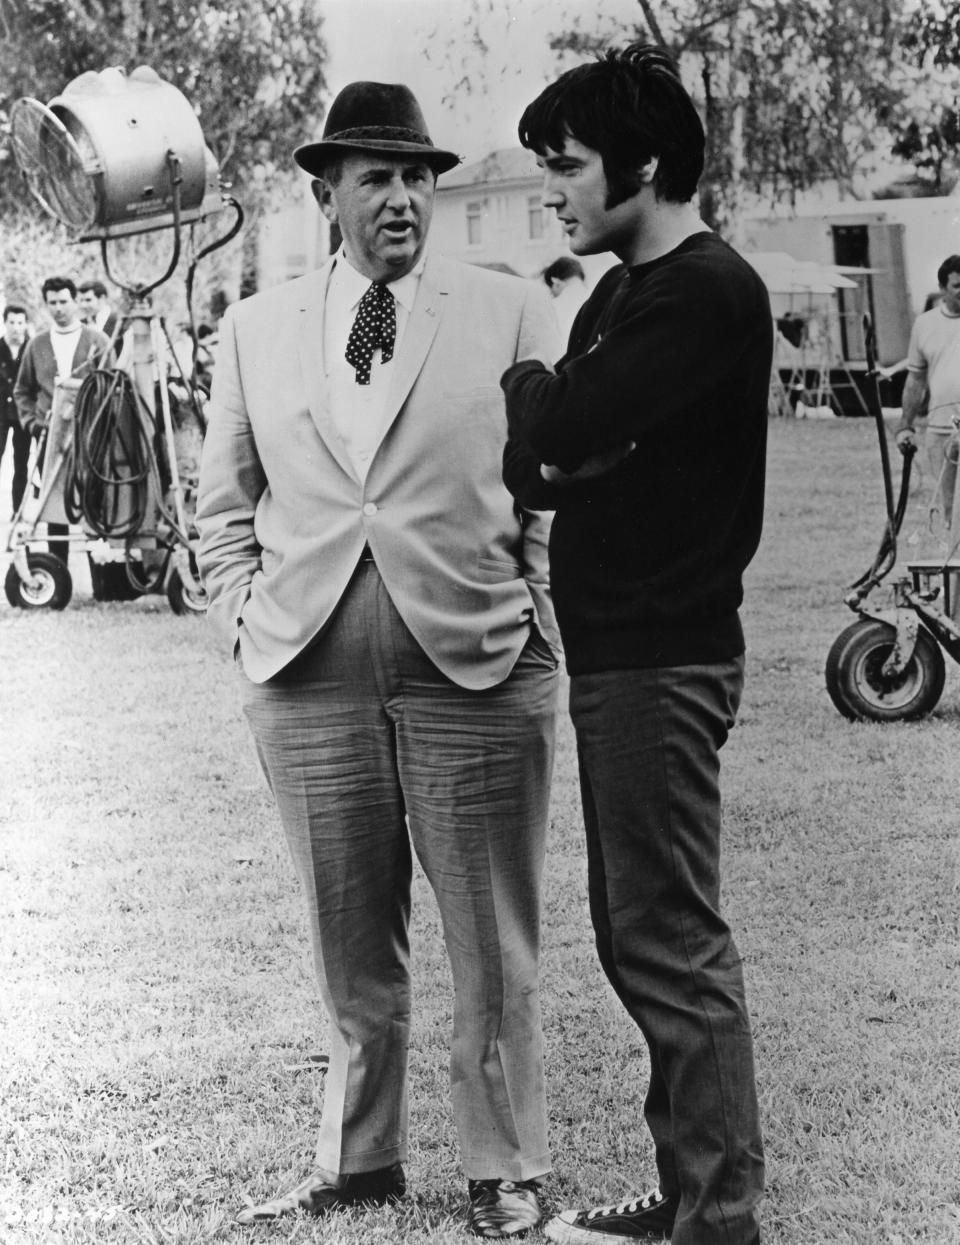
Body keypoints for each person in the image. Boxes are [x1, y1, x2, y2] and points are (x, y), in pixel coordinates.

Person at [195, 80, 562, 1238]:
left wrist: (532, 613)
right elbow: (219, 511)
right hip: (304, 671)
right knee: (347, 933)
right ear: (326, 194)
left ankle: (503, 1167)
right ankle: (358, 1162)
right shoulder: (255, 328)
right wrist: (247, 629)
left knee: (491, 939)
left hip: (478, 661)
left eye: (418, 178)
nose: (403, 197)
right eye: (377, 177)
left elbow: (555, 494)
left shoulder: (509, 313)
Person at [500, 43, 769, 1245]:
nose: (552, 190)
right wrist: (557, 425)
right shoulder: (617, 295)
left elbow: (562, 422)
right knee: (636, 930)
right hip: (617, 652)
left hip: (663, 656)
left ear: (645, 165)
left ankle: (718, 1220)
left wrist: (543, 401)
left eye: (567, 166)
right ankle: (686, 1195)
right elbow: (538, 459)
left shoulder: (704, 292)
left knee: (667, 933)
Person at [15, 277, 111, 564]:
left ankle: (102, 571)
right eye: (52, 303)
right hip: (51, 436)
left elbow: (113, 386)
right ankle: (56, 566)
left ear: (75, 302)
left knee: (94, 500)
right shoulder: (36, 345)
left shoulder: (98, 341)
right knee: (52, 500)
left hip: (90, 435)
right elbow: (22, 390)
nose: (59, 308)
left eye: (64, 301)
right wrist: (32, 423)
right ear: (46, 305)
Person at [896, 258, 960, 535]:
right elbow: (915, 380)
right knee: (948, 508)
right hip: (940, 431)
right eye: (958, 285)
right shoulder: (925, 325)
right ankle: (954, 574)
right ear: (942, 287)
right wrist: (905, 425)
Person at [0, 304, 31, 516]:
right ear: (5, 323)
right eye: (12, 322)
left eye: (20, 322)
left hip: (22, 415)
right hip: (1, 414)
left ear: (25, 324)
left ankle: (17, 510)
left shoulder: (32, 349)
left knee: (22, 464)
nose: (16, 328)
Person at [542, 256, 588, 337]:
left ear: (555, 282)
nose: (552, 295)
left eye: (551, 290)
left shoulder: (553, 306)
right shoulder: (595, 296)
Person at [77, 278, 123, 351]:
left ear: (102, 298)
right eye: (81, 300)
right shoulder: (79, 324)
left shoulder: (120, 321)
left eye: (88, 300)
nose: (83, 305)